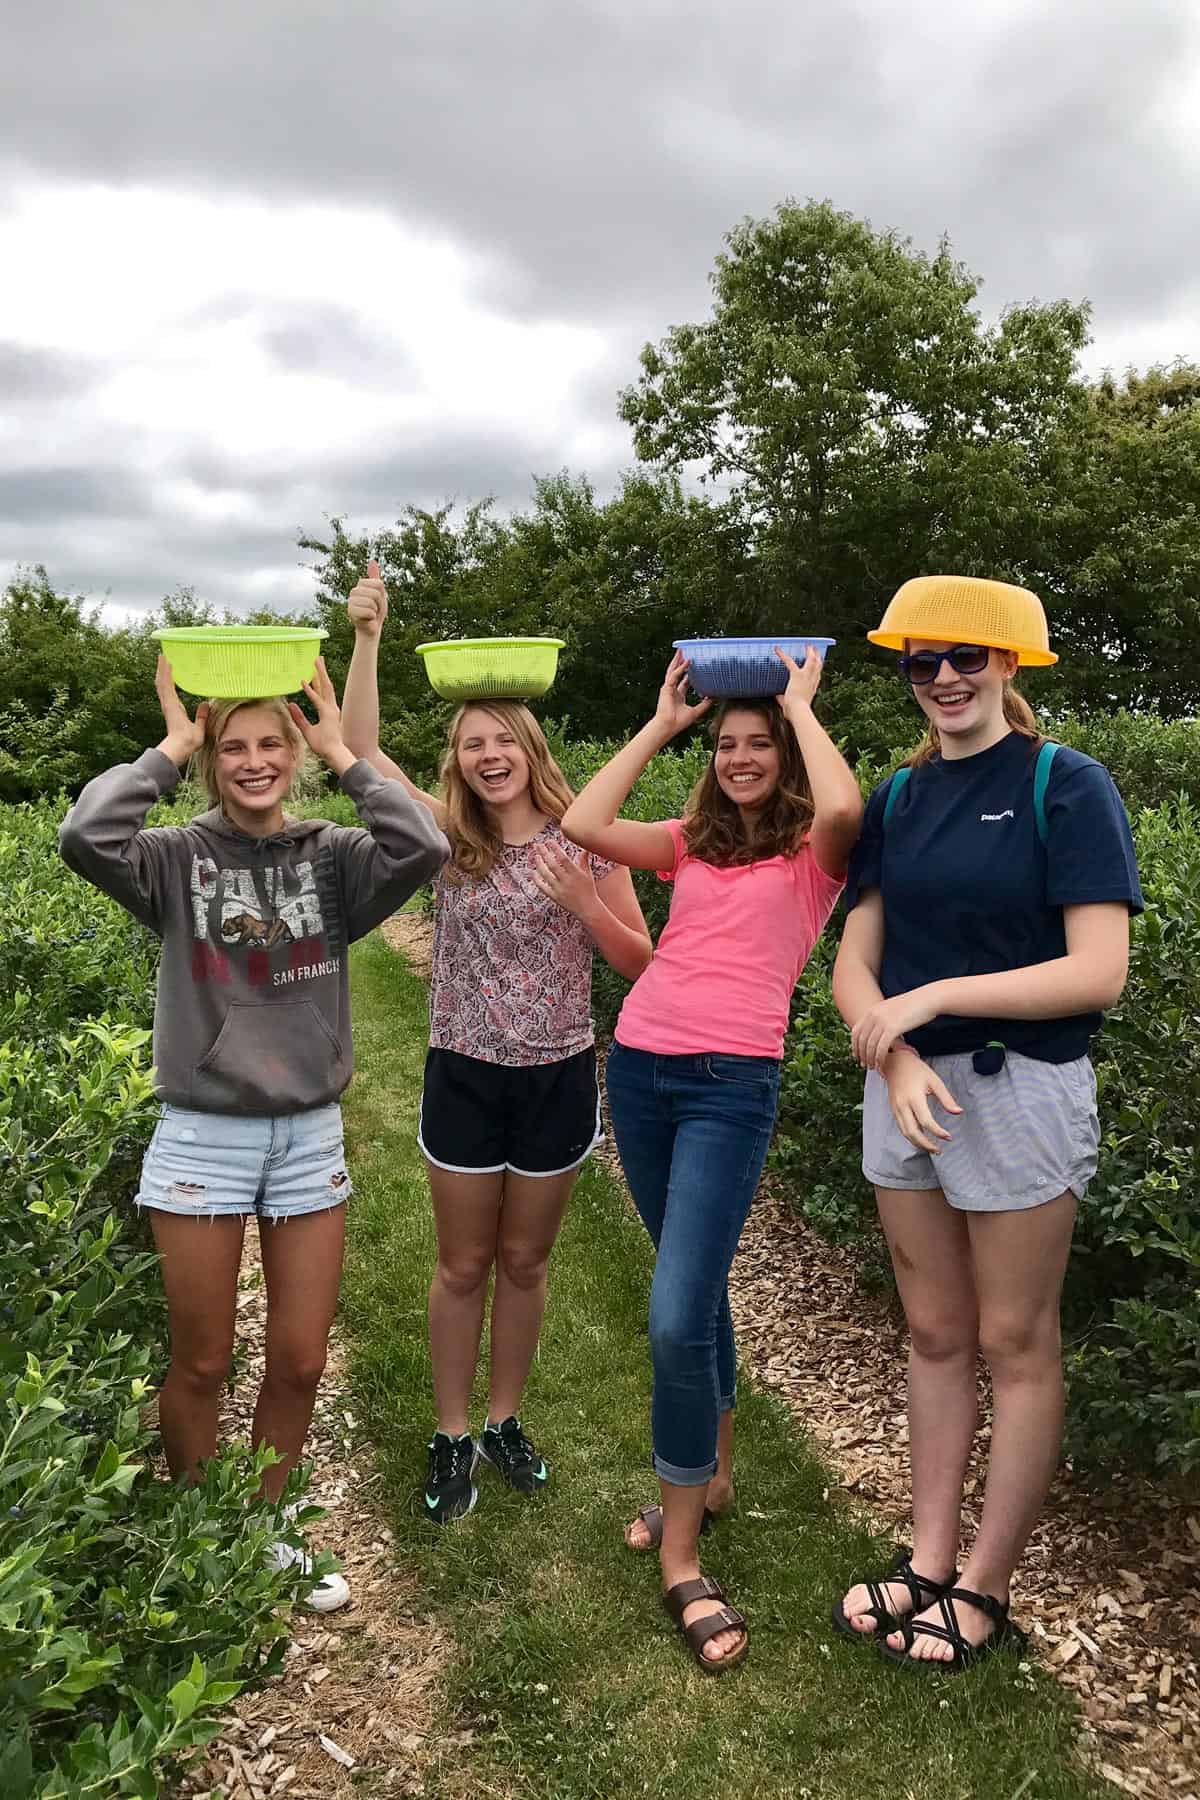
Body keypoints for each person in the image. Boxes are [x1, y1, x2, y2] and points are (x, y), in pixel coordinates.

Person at [59, 655, 448, 1609]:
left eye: (271, 743)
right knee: (201, 1357)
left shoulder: (336, 857)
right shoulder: (174, 861)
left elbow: (426, 844)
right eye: (232, 746)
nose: (254, 761)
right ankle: (197, 1535)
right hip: (203, 1138)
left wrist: (347, 753)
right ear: (210, 762)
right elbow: (84, 832)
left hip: (308, 1136)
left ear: (295, 754)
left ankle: (269, 1531)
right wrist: (169, 745)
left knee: (302, 1357)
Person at [830, 575, 1142, 1670]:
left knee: (1015, 1341)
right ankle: (924, 1557)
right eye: (924, 661)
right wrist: (899, 1043)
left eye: (968, 657)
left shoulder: (1067, 784)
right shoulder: (900, 799)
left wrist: (935, 1001)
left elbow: (1097, 971)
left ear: (1012, 666)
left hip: (1020, 1091)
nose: (947, 678)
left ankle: (983, 1583)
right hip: (904, 1088)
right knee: (933, 1335)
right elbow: (854, 964)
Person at [562, 646, 862, 1671]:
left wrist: (798, 705)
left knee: (676, 1310)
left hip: (732, 1088)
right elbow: (584, 824)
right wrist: (661, 724)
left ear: (783, 755)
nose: (740, 759)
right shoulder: (690, 844)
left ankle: (682, 1551)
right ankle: (715, 1477)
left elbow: (847, 809)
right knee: (697, 1295)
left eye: (757, 746)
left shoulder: (815, 857)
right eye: (728, 745)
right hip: (640, 1068)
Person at [340, 563, 653, 1524]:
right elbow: (357, 748)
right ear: (458, 761)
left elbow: (643, 962)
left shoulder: (589, 839)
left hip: (559, 1075)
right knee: (462, 1264)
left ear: (530, 747)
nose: (488, 756)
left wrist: (586, 903)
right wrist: (366, 636)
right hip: (465, 1076)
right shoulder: (443, 840)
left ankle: (506, 1420)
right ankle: (451, 1433)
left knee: (526, 1264)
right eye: (472, 744)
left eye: (502, 740)